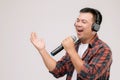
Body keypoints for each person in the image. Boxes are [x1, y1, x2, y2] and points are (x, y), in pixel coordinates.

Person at [30, 7, 112, 80]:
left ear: (95, 27)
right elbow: (58, 70)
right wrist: (42, 50)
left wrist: (71, 50)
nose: (78, 24)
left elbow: (89, 76)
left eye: (83, 22)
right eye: (78, 20)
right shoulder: (75, 46)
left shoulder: (103, 49)